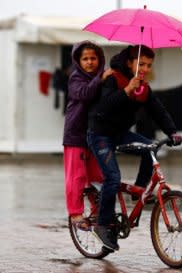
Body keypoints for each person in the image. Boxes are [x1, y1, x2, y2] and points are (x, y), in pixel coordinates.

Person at [87, 45, 182, 251]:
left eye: (149, 65)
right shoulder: (114, 78)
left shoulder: (143, 88)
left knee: (151, 147)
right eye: (141, 64)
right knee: (112, 178)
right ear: (130, 63)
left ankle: (139, 190)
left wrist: (172, 132)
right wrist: (127, 90)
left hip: (121, 134)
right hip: (100, 134)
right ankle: (102, 225)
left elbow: (159, 111)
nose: (145, 68)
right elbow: (103, 108)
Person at [63, 41, 113, 230]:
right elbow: (85, 94)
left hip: (96, 134)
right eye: (85, 59)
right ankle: (75, 213)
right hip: (75, 135)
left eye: (93, 58)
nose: (90, 62)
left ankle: (98, 210)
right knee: (76, 176)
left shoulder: (103, 78)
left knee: (97, 175)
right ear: (78, 61)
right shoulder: (76, 78)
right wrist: (100, 78)